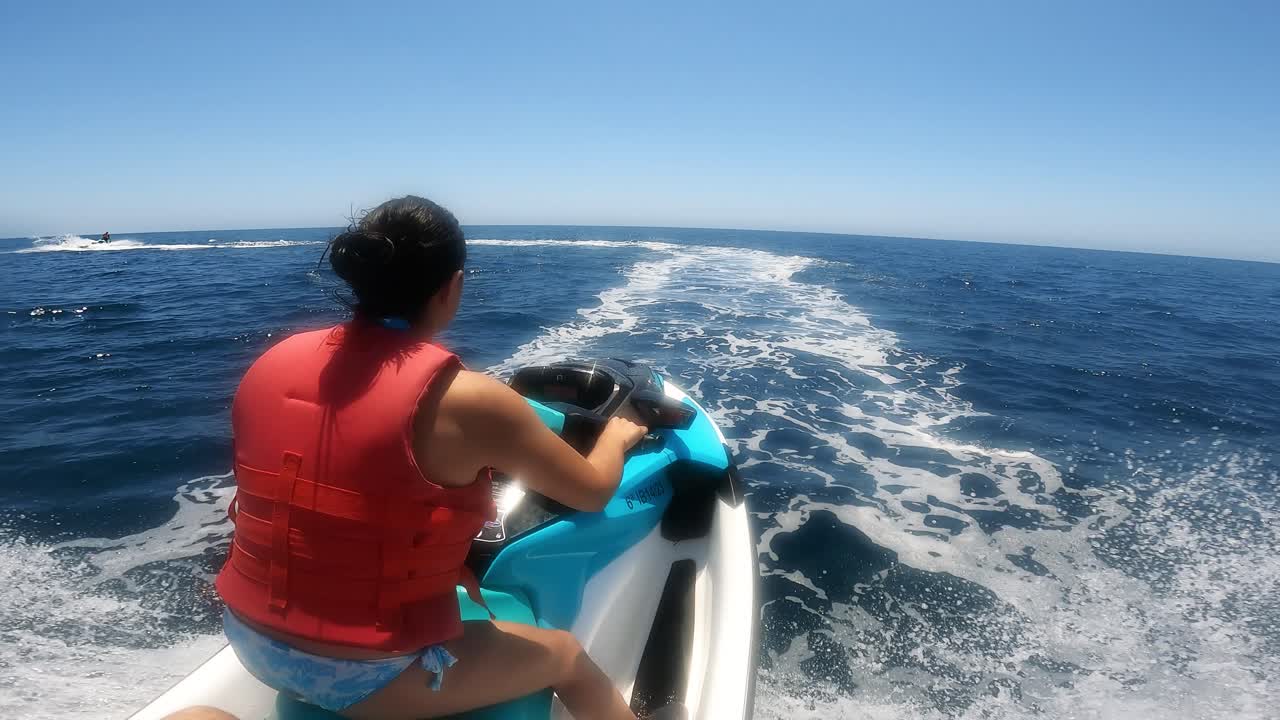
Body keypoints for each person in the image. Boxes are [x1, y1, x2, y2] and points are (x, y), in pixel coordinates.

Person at [215, 196, 661, 719]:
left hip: (249, 641)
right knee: (566, 658)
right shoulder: (466, 401)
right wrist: (616, 437)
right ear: (453, 285)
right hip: (368, 675)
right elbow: (592, 491)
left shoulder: (270, 364)